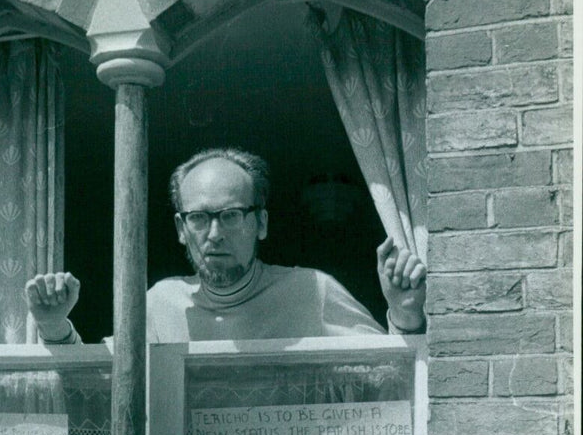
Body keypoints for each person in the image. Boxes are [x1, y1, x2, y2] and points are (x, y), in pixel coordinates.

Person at [25, 147, 426, 346]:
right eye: (199, 217)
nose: (214, 233)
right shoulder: (160, 303)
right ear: (182, 229)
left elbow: (391, 377)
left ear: (261, 223)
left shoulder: (312, 291)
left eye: (231, 215)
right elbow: (105, 386)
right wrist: (54, 326)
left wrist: (404, 314)